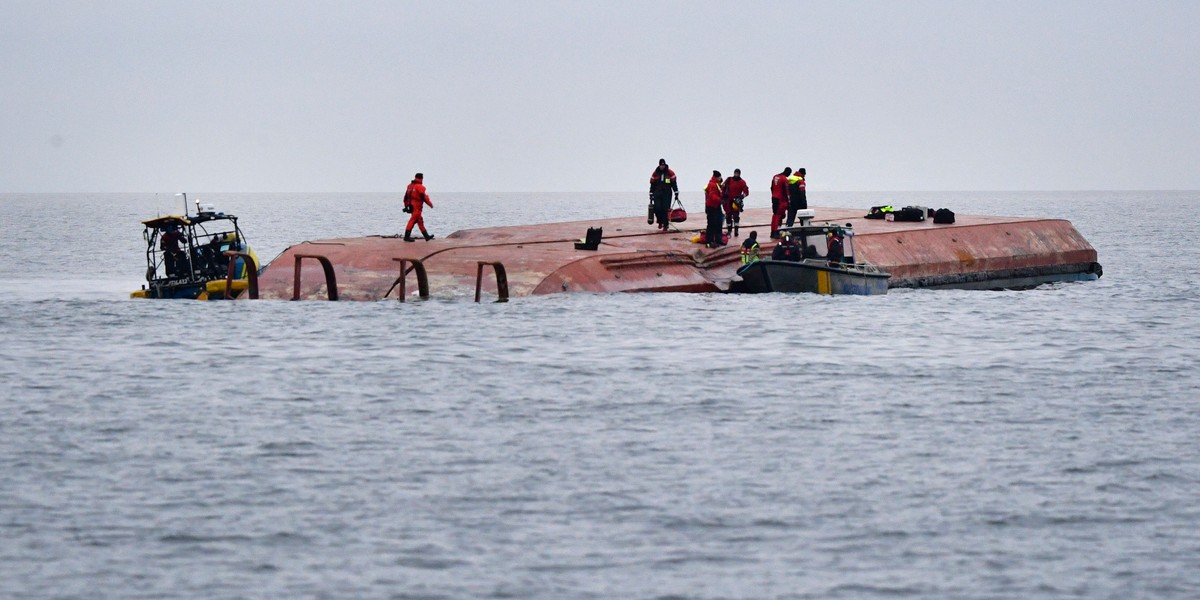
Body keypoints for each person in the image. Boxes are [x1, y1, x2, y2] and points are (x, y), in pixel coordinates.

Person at [403, 173, 435, 242]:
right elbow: (424, 197)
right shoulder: (420, 187)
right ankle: (406, 237)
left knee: (419, 221)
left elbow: (405, 197)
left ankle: (426, 236)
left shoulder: (410, 186)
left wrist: (406, 206)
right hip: (417, 207)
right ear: (422, 178)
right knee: (412, 221)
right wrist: (430, 204)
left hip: (411, 206)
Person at [649, 159, 679, 232]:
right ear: (659, 165)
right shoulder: (655, 173)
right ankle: (659, 221)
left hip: (667, 193)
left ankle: (665, 225)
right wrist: (651, 193)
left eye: (663, 165)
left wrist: (676, 192)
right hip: (657, 192)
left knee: (665, 209)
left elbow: (674, 183)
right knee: (657, 208)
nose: (662, 166)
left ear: (665, 165)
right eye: (661, 165)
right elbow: (652, 184)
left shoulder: (670, 173)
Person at [722, 168, 749, 237]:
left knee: (736, 216)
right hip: (728, 201)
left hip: (736, 202)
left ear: (739, 174)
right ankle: (729, 230)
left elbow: (746, 192)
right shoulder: (729, 180)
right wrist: (723, 197)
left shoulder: (742, 182)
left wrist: (741, 196)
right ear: (734, 173)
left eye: (737, 173)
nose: (736, 174)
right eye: (735, 173)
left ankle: (736, 230)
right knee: (728, 216)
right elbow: (723, 187)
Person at [704, 170, 724, 248]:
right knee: (711, 224)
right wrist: (720, 200)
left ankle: (718, 240)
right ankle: (709, 241)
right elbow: (712, 196)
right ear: (717, 177)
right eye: (719, 177)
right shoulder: (712, 185)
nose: (720, 178)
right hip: (712, 207)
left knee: (719, 223)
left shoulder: (717, 184)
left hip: (717, 206)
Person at [770, 167, 792, 238]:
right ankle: (776, 232)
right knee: (779, 216)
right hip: (780, 200)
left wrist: (773, 195)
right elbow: (786, 191)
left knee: (775, 215)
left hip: (774, 198)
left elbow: (771, 187)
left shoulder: (775, 176)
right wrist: (788, 202)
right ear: (788, 172)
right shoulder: (784, 179)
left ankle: (772, 232)